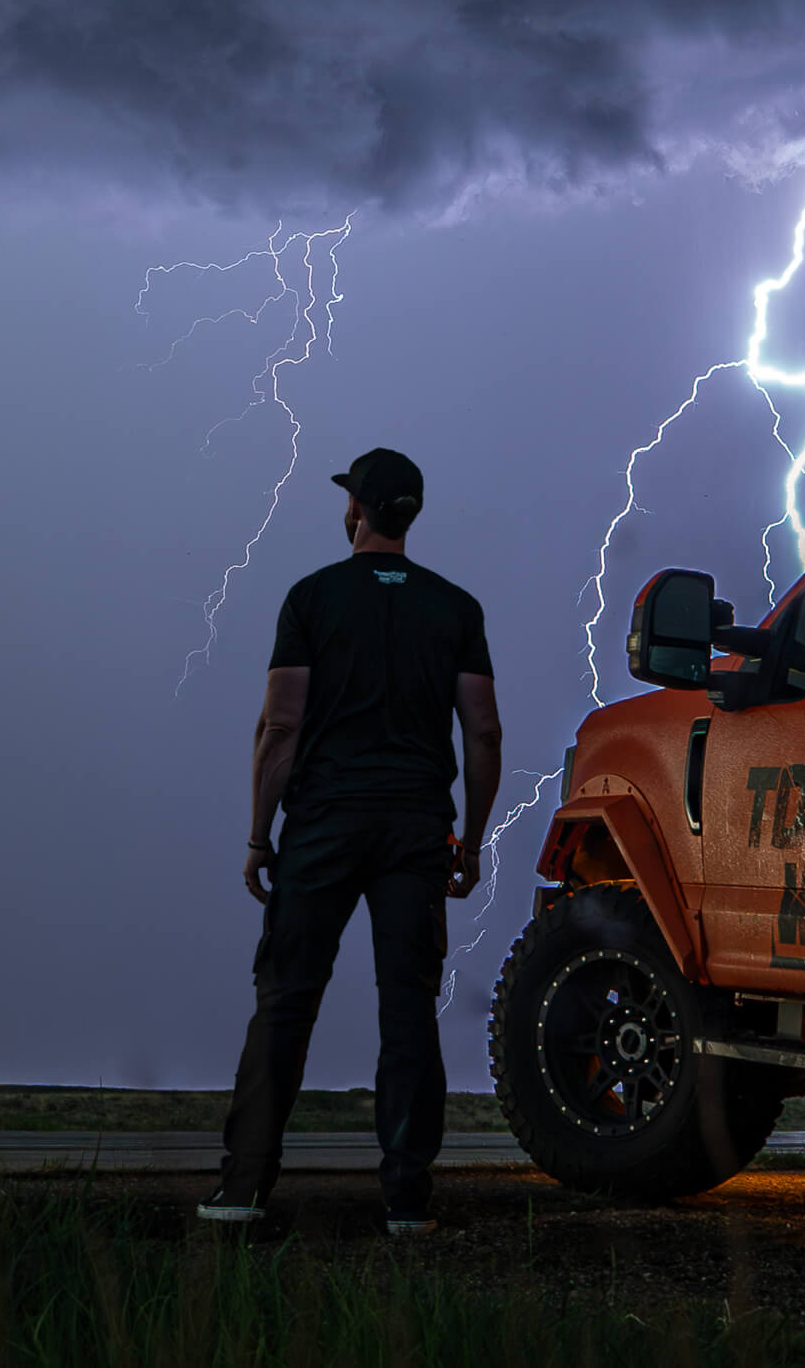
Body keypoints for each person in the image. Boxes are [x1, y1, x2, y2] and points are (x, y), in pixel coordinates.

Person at [198, 447, 503, 1234]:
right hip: (414, 829)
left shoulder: (311, 599)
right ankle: (406, 1202)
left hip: (324, 824)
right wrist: (469, 840)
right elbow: (483, 730)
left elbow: (281, 726)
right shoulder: (456, 608)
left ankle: (242, 1191)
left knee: (285, 1001)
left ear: (357, 510)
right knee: (408, 1010)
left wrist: (260, 836)